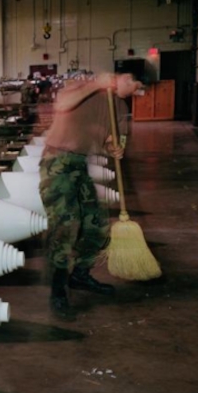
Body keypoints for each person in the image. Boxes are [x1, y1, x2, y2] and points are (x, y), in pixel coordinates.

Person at [39, 72, 141, 318]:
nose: (135, 87)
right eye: (133, 82)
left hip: (79, 164)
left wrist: (113, 147)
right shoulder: (82, 86)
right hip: (57, 163)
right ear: (122, 77)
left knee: (96, 226)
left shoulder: (120, 106)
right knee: (65, 227)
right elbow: (62, 104)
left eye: (137, 86)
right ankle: (58, 290)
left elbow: (111, 140)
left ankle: (80, 275)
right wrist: (97, 84)